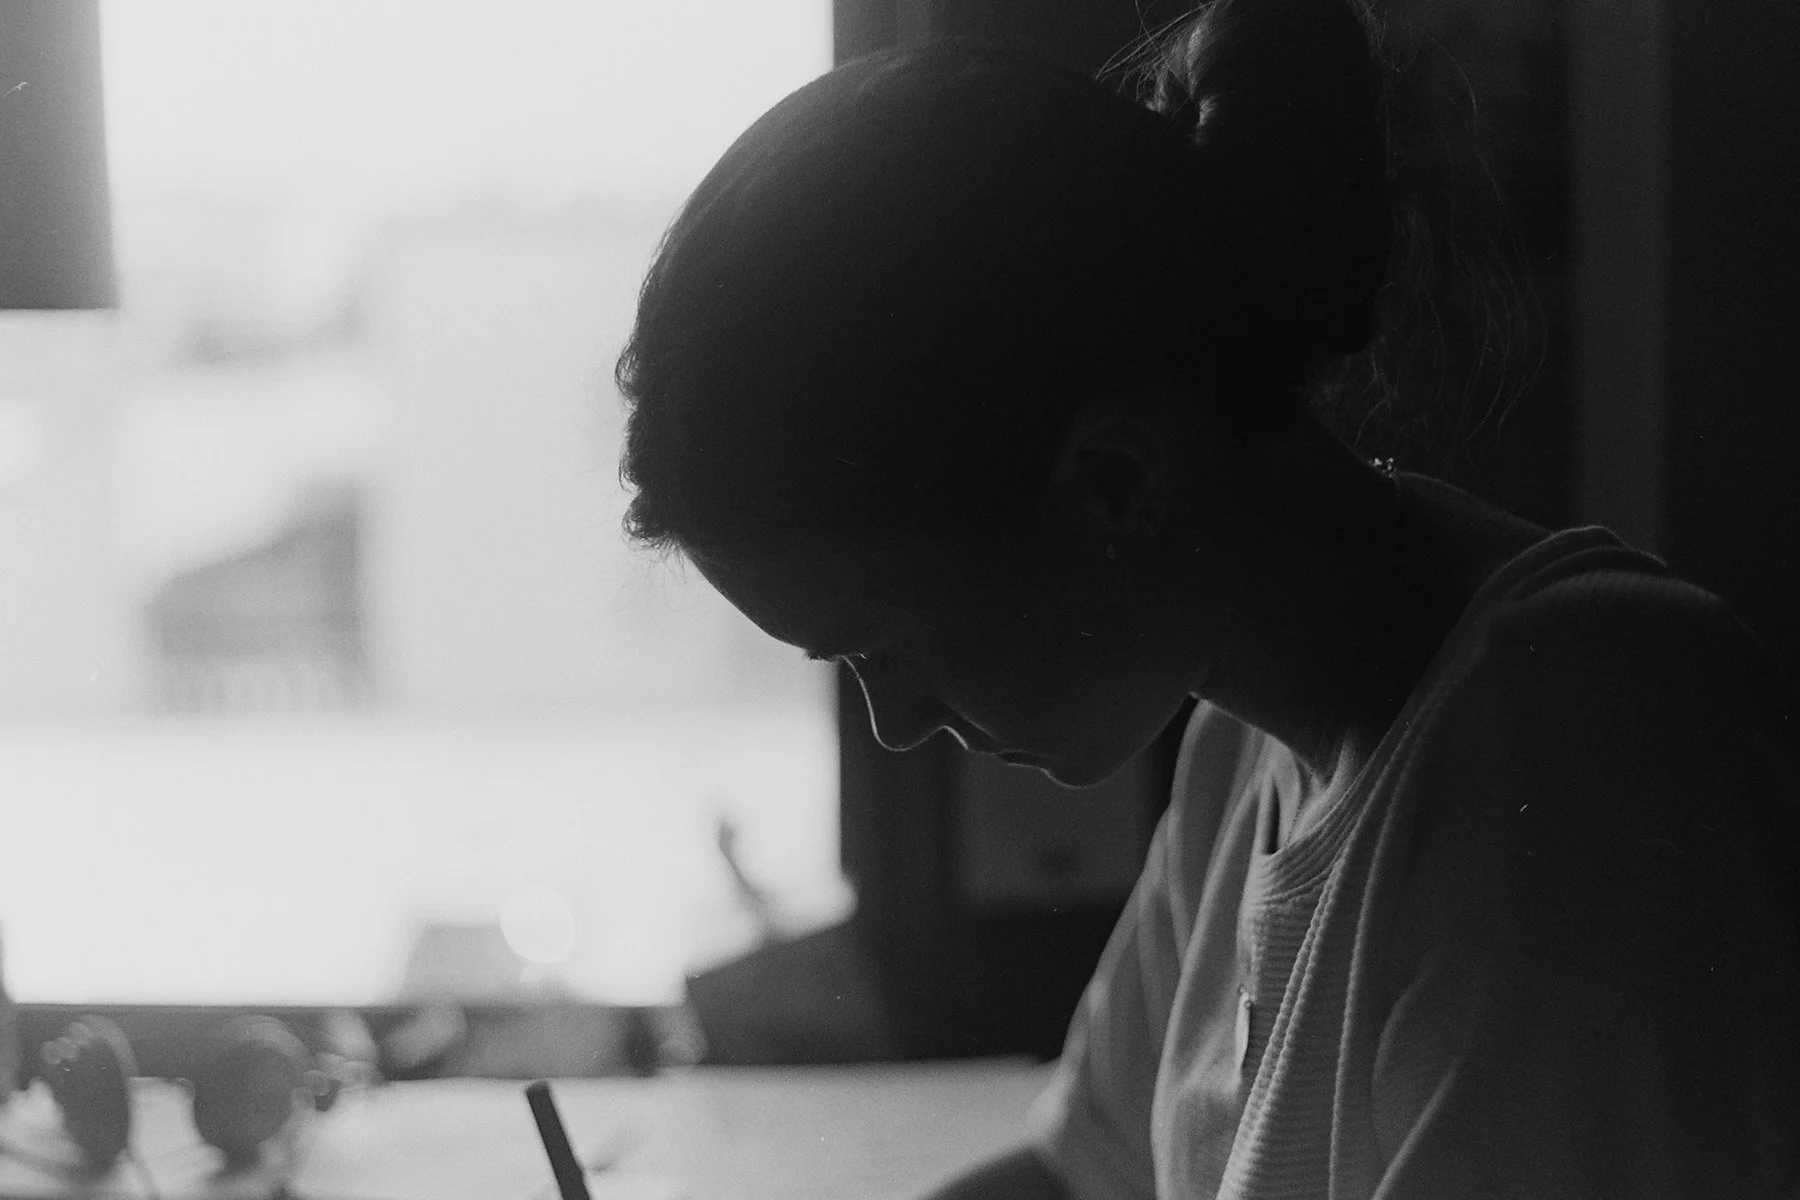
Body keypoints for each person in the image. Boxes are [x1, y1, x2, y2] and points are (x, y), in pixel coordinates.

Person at [614, 0, 1800, 1195]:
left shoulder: (1578, 769)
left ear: (1116, 481)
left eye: (884, 646)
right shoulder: (1246, 736)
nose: (896, 721)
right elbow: (1086, 1174)